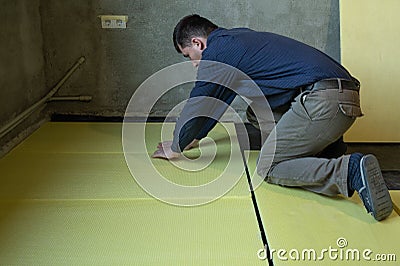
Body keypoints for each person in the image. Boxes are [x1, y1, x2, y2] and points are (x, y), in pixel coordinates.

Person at [152, 14, 393, 221]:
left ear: (198, 43)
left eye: (189, 55)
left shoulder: (217, 51)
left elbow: (200, 101)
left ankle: (350, 170)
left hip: (323, 103)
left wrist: (176, 146)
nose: (194, 64)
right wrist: (193, 137)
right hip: (341, 100)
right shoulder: (237, 40)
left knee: (268, 166)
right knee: (256, 112)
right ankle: (323, 152)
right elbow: (216, 101)